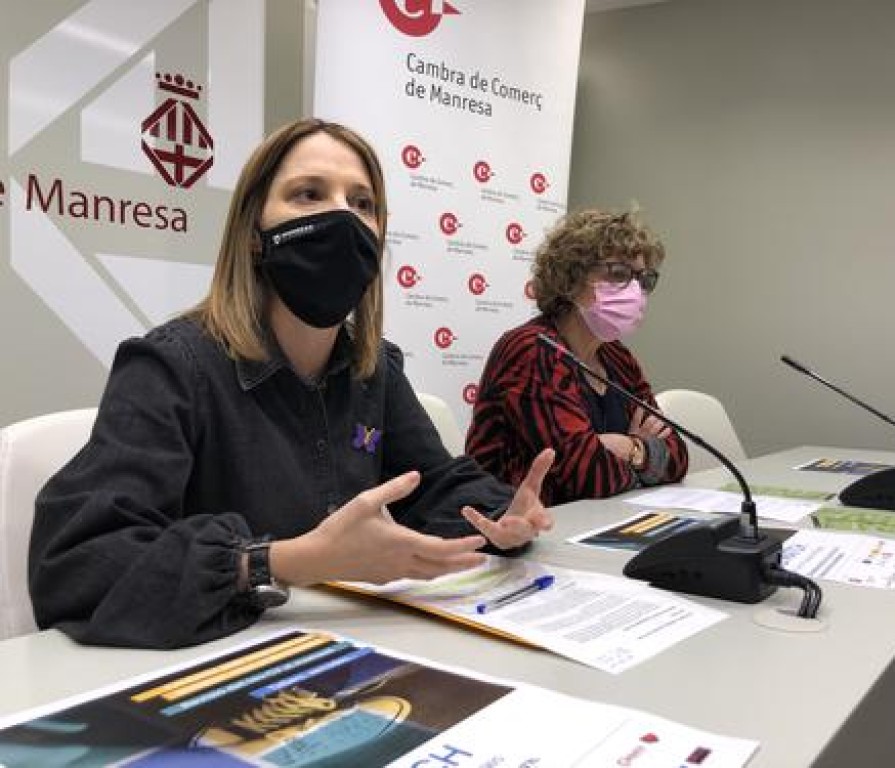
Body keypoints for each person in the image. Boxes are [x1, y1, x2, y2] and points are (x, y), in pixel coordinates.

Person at [29, 118, 554, 649]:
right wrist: (284, 561)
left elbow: (434, 485)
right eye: (309, 194)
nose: (342, 217)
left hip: (347, 645)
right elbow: (77, 565)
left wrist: (500, 516)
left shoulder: (375, 368)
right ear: (252, 233)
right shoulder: (171, 365)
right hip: (209, 662)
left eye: (363, 203)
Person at [466, 209, 687, 505]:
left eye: (643, 279)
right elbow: (587, 477)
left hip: (597, 518)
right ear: (570, 279)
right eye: (618, 274)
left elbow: (678, 456)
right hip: (516, 524)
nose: (635, 290)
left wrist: (629, 449)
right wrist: (644, 457)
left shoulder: (616, 356)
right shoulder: (533, 349)